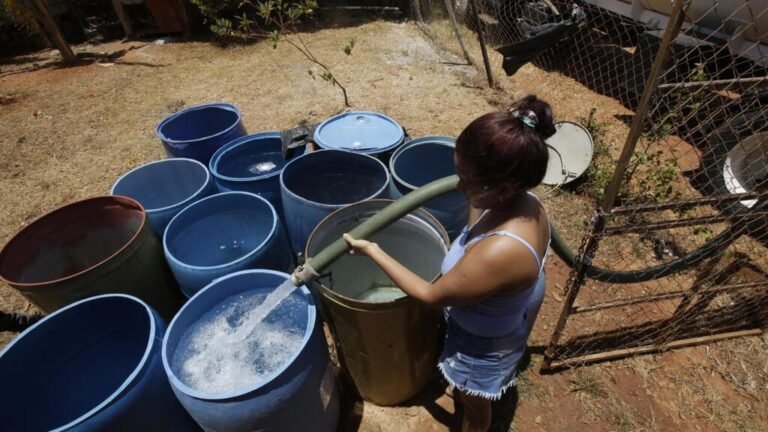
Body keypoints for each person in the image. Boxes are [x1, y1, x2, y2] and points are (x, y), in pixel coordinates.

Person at [344, 95, 555, 432]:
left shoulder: (501, 252)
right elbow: (473, 226)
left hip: (482, 346)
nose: (457, 186)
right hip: (497, 320)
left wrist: (373, 250)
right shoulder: (522, 201)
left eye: (465, 180)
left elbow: (430, 296)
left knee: (474, 403)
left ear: (499, 187)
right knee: (469, 395)